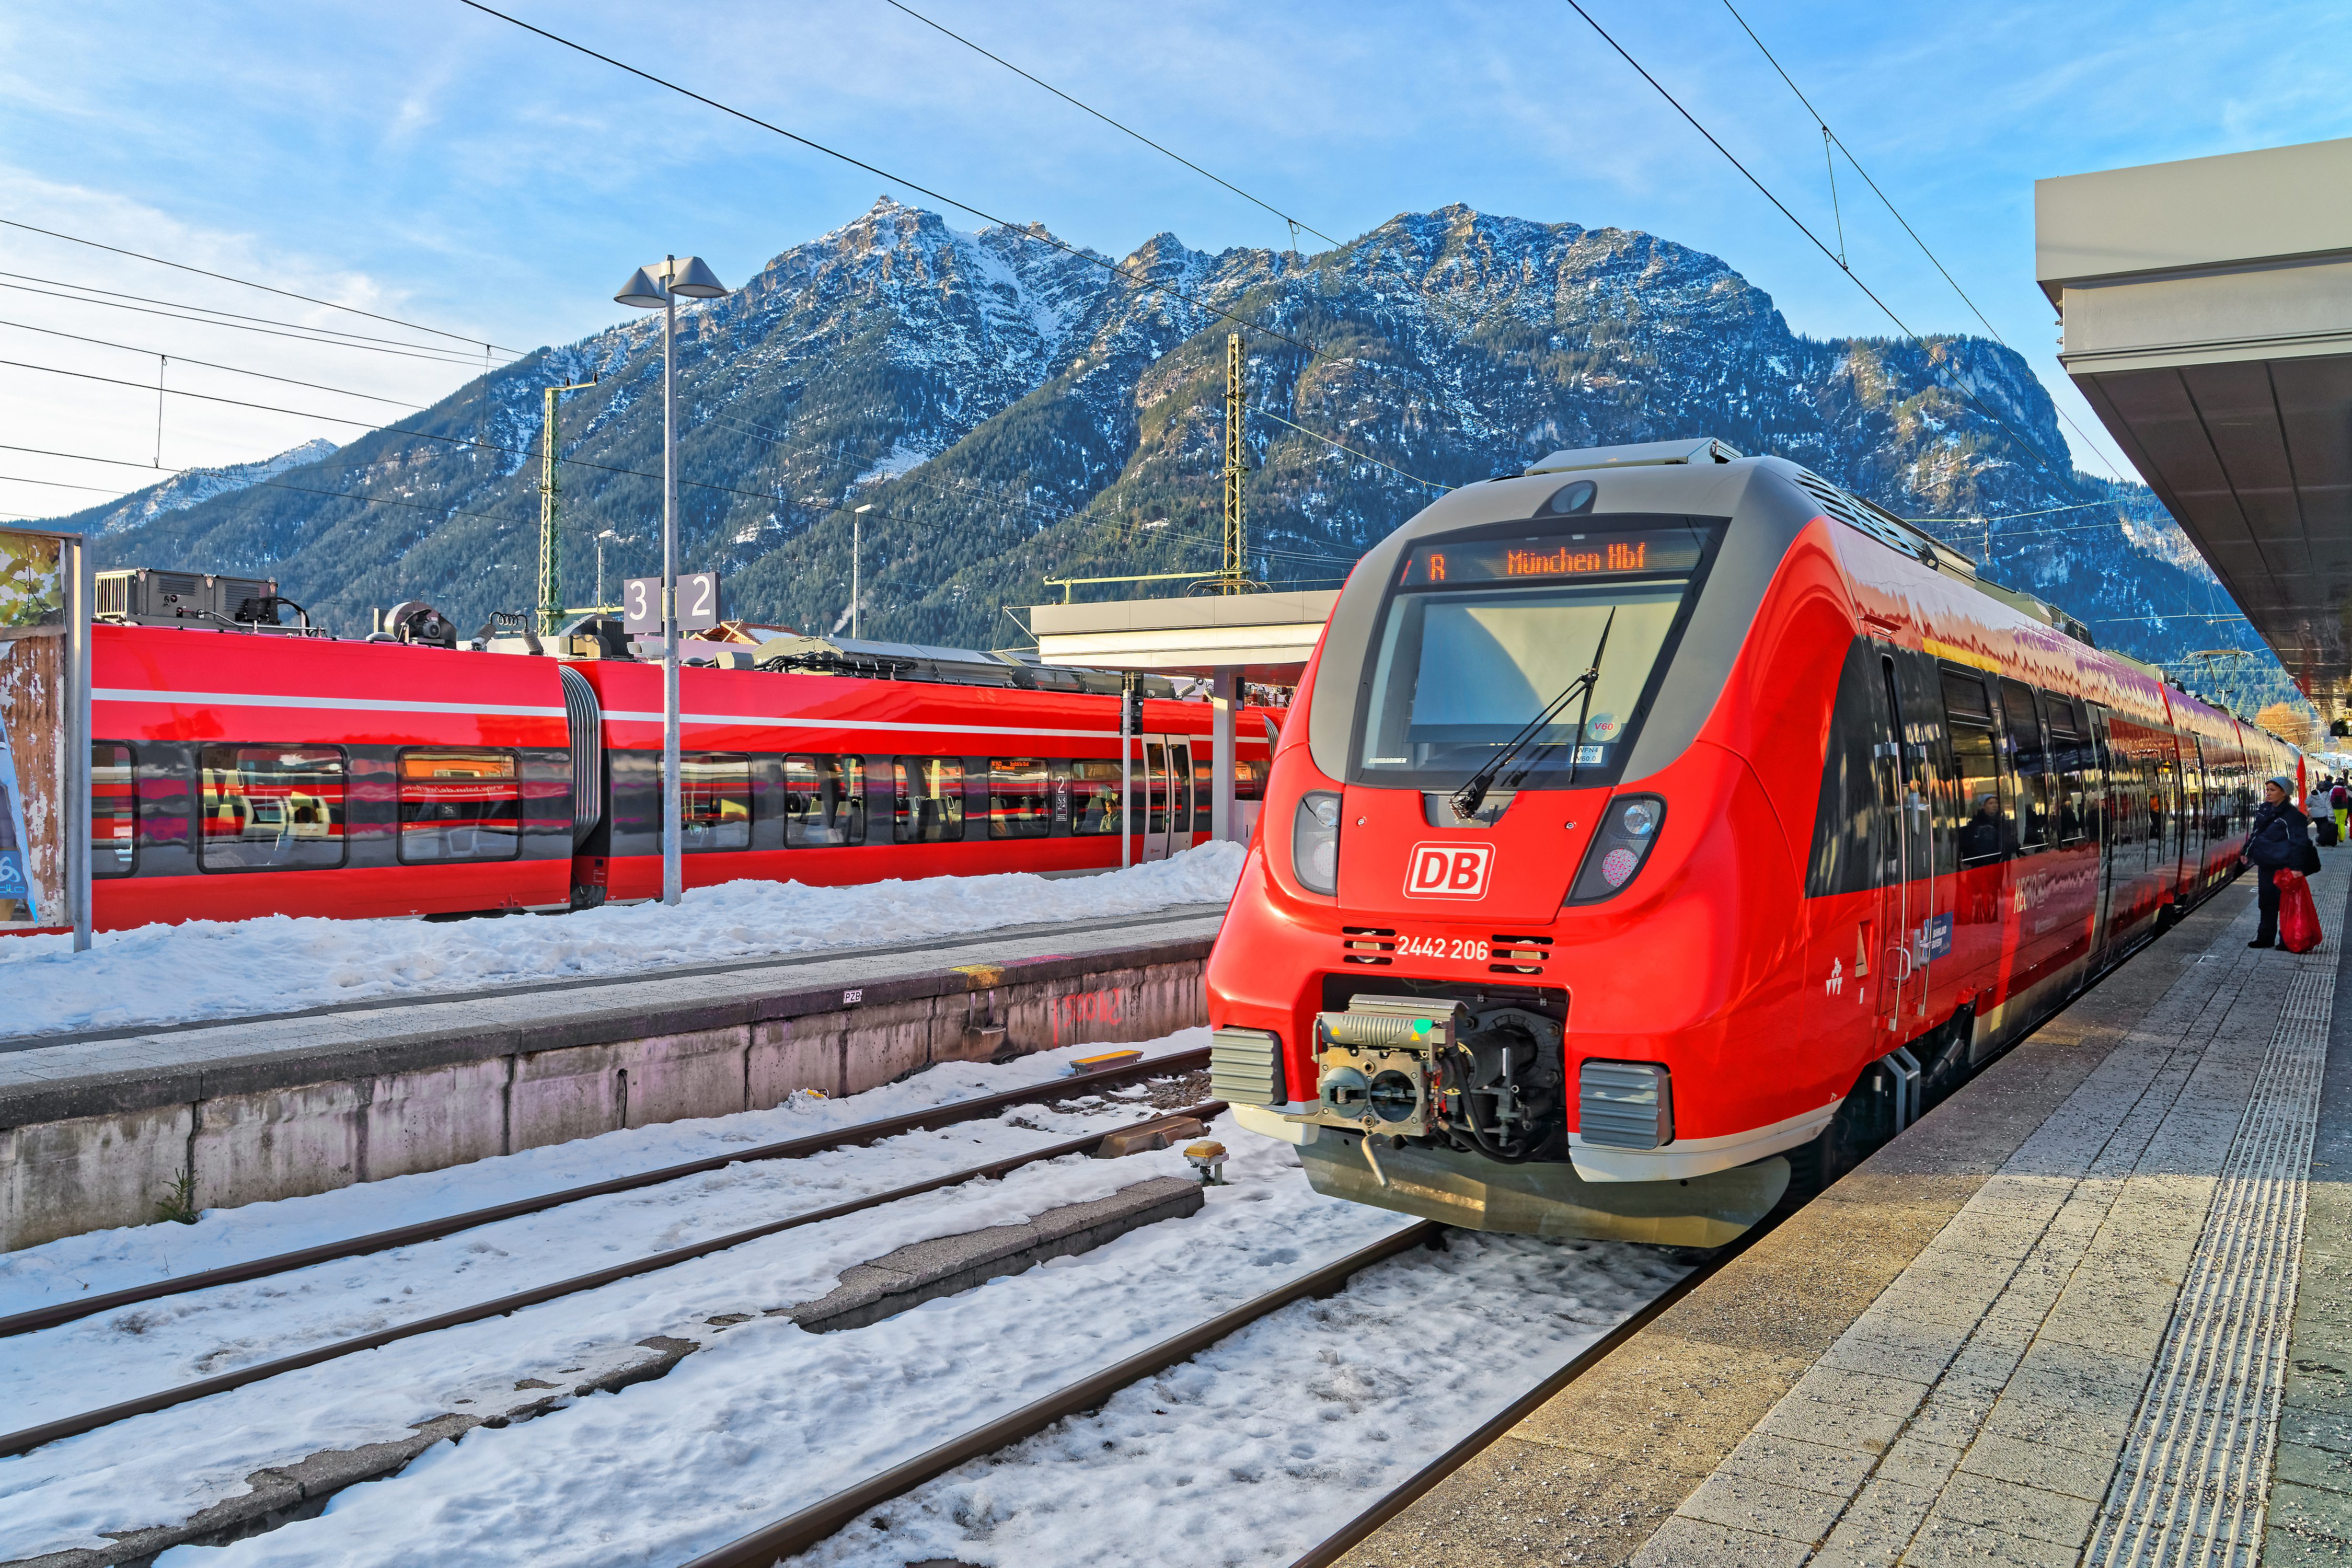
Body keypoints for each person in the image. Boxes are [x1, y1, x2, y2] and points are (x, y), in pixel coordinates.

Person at [2243, 776, 2309, 949]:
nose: (2268, 793)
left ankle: (2287, 939)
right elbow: (2256, 833)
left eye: (2272, 790)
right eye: (2268, 790)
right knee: (2266, 902)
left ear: (2284, 793)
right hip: (2266, 865)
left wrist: (2296, 868)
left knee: (2286, 905)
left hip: (2284, 867)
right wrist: (2247, 852)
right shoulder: (2264, 810)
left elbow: (2299, 843)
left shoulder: (2293, 816)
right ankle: (2265, 937)